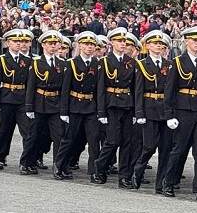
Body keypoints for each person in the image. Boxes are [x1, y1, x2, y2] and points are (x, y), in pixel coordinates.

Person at [161, 26, 197, 201]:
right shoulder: (177, 62)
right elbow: (169, 90)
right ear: (186, 42)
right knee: (179, 149)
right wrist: (169, 114)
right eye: (194, 41)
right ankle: (168, 182)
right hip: (183, 109)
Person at [56, 31, 102, 180]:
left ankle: (94, 171)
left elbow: (99, 90)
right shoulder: (72, 64)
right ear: (80, 45)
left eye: (92, 45)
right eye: (86, 44)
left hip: (90, 106)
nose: (89, 47)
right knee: (69, 138)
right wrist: (64, 111)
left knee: (94, 140)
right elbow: (65, 89)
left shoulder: (97, 64)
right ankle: (60, 166)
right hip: (75, 105)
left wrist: (100, 110)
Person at [94, 27, 136, 188]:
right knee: (112, 141)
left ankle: (124, 176)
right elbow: (100, 88)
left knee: (127, 142)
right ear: (111, 42)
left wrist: (135, 110)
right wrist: (101, 111)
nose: (122, 44)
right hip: (111, 104)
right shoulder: (104, 62)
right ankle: (100, 168)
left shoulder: (131, 62)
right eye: (119, 41)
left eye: (124, 41)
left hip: (127, 104)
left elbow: (134, 87)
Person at [131, 31, 173, 192]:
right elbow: (138, 91)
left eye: (161, 44)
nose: (159, 46)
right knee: (149, 146)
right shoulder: (141, 64)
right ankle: (138, 170)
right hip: (149, 108)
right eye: (155, 44)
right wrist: (139, 113)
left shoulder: (168, 65)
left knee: (165, 148)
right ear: (147, 46)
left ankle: (160, 183)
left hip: (165, 110)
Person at [0, 29, 34, 169]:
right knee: (4, 131)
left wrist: (29, 104)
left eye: (20, 42)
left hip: (21, 99)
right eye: (15, 42)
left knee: (27, 131)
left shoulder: (27, 61)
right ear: (8, 43)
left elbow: (29, 84)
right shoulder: (2, 59)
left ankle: (26, 162)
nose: (18, 44)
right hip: (7, 98)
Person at [24, 30, 65, 174]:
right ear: (43, 45)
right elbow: (30, 86)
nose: (53, 46)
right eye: (50, 44)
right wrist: (29, 107)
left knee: (59, 135)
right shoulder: (36, 63)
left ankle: (58, 165)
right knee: (34, 135)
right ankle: (27, 162)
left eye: (55, 44)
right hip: (39, 103)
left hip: (55, 103)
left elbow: (64, 88)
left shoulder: (62, 63)